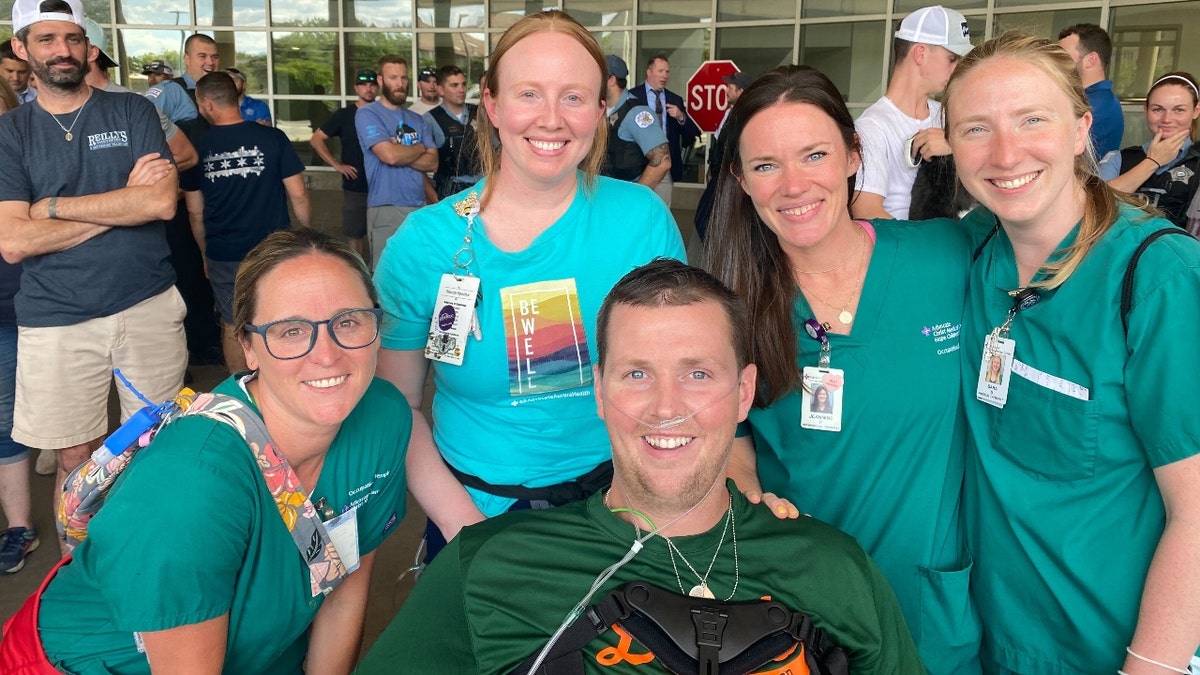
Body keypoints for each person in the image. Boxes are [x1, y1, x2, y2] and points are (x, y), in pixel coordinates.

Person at [357, 259, 923, 673]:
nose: (667, 408)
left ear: (745, 393)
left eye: (698, 374)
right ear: (599, 393)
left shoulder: (834, 569)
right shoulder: (489, 566)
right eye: (636, 374)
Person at [0, 228, 412, 674]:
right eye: (291, 331)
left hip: (267, 651)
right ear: (248, 347)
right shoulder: (189, 486)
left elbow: (345, 584)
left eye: (348, 321)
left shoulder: (382, 416)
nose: (327, 355)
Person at [373, 9, 685, 561]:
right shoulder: (426, 243)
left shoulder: (641, 221)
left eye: (573, 96)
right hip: (477, 512)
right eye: (528, 94)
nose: (551, 119)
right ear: (491, 104)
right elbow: (397, 404)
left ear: (599, 109)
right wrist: (466, 531)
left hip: (621, 510)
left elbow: (677, 378)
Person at [704, 65, 982, 674]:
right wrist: (743, 487)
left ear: (854, 155)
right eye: (766, 165)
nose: (794, 185)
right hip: (800, 607)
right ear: (741, 179)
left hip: (929, 602)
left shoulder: (944, 255)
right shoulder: (731, 305)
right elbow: (730, 438)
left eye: (815, 154)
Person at [944, 31, 1200, 674]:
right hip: (989, 638)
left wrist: (1151, 666)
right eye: (976, 128)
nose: (1005, 153)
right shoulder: (971, 250)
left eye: (1032, 119)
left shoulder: (1157, 276)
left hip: (1110, 649)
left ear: (1083, 127)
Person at [0, 0, 187, 555]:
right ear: (21, 48)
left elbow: (161, 202)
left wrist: (50, 209)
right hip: (55, 318)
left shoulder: (131, 110)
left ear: (89, 45)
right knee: (73, 457)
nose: (63, 50)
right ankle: (75, 572)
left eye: (73, 38)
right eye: (48, 39)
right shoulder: (10, 132)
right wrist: (120, 204)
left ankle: (147, 558)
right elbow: (13, 241)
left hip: (146, 304)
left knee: (154, 446)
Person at [182, 71, 310, 372]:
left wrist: (204, 253)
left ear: (206, 104)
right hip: (274, 249)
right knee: (280, 316)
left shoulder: (196, 148)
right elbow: (299, 194)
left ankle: (241, 394)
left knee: (232, 323)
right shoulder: (272, 137)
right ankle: (283, 380)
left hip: (224, 253)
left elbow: (195, 211)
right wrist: (304, 236)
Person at [852, 4, 973, 221]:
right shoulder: (872, 127)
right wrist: (931, 246)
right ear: (921, 53)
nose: (958, 69)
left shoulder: (947, 114)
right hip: (910, 250)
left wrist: (953, 146)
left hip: (956, 244)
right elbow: (868, 215)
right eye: (952, 59)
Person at [355, 54, 437, 269]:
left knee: (417, 273)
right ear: (381, 81)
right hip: (386, 206)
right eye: (393, 78)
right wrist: (419, 148)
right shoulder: (367, 114)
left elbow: (433, 163)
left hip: (418, 207)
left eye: (403, 78)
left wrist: (402, 151)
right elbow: (388, 156)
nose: (400, 84)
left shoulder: (417, 119)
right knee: (387, 276)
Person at [1099, 72, 1200, 228]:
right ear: (1145, 110)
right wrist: (1153, 161)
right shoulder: (1117, 159)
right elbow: (1097, 205)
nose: (1167, 119)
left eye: (1179, 110)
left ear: (1196, 110)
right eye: (1158, 109)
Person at [310, 68, 377, 256]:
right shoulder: (345, 115)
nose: (368, 89)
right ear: (356, 88)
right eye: (364, 85)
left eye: (372, 85)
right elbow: (316, 139)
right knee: (355, 234)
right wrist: (337, 165)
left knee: (381, 233)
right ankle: (359, 273)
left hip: (382, 185)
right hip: (355, 185)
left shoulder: (383, 114)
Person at [630, 53, 700, 205]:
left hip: (664, 166)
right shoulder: (632, 97)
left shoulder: (675, 100)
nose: (665, 76)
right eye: (660, 71)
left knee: (662, 211)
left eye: (667, 72)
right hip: (637, 165)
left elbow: (691, 135)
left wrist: (681, 117)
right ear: (649, 72)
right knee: (637, 209)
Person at [601, 54, 670, 196]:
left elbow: (662, 161)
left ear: (611, 80)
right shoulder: (599, 109)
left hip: (624, 198)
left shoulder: (636, 113)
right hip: (604, 194)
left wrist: (633, 196)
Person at [694, 70, 751, 241]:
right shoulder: (729, 112)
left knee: (706, 219)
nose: (726, 90)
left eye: (730, 87)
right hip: (718, 174)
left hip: (730, 177)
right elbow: (719, 142)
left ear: (740, 91)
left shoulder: (746, 117)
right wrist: (712, 167)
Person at [1058, 23, 1124, 159]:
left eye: (1063, 57)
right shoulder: (1087, 99)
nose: (1056, 63)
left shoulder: (1097, 106)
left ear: (1091, 60)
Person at [423, 64, 483, 199]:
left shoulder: (481, 114)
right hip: (449, 190)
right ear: (440, 89)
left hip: (481, 186)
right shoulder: (430, 120)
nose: (461, 90)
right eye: (454, 85)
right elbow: (422, 167)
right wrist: (434, 199)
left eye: (463, 84)